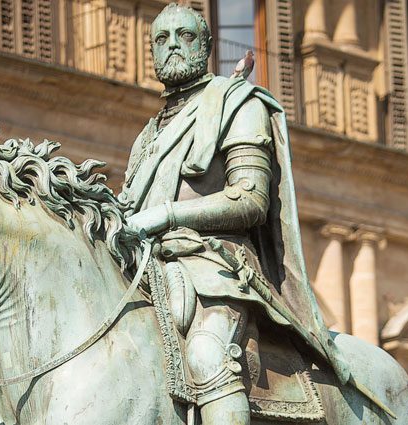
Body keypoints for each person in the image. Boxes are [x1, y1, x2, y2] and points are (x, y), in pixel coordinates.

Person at [119, 4, 350, 424]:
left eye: (185, 37)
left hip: (216, 270)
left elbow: (249, 199)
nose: (171, 45)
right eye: (161, 38)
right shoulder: (147, 136)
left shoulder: (238, 104)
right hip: (150, 270)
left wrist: (167, 216)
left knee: (208, 358)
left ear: (206, 46)